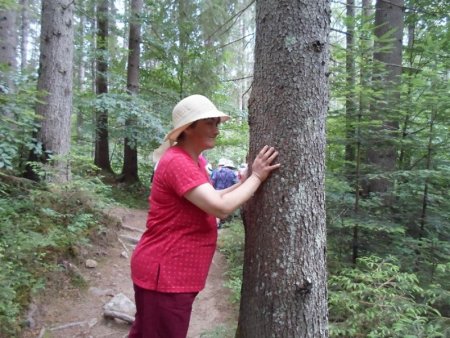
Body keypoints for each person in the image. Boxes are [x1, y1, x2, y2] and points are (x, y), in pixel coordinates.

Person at [128, 94, 280, 338]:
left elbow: (213, 196)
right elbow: (220, 208)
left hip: (173, 274)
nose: (216, 130)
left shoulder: (194, 161)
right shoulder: (178, 163)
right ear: (188, 128)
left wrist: (244, 181)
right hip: (165, 274)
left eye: (216, 123)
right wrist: (257, 177)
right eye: (209, 123)